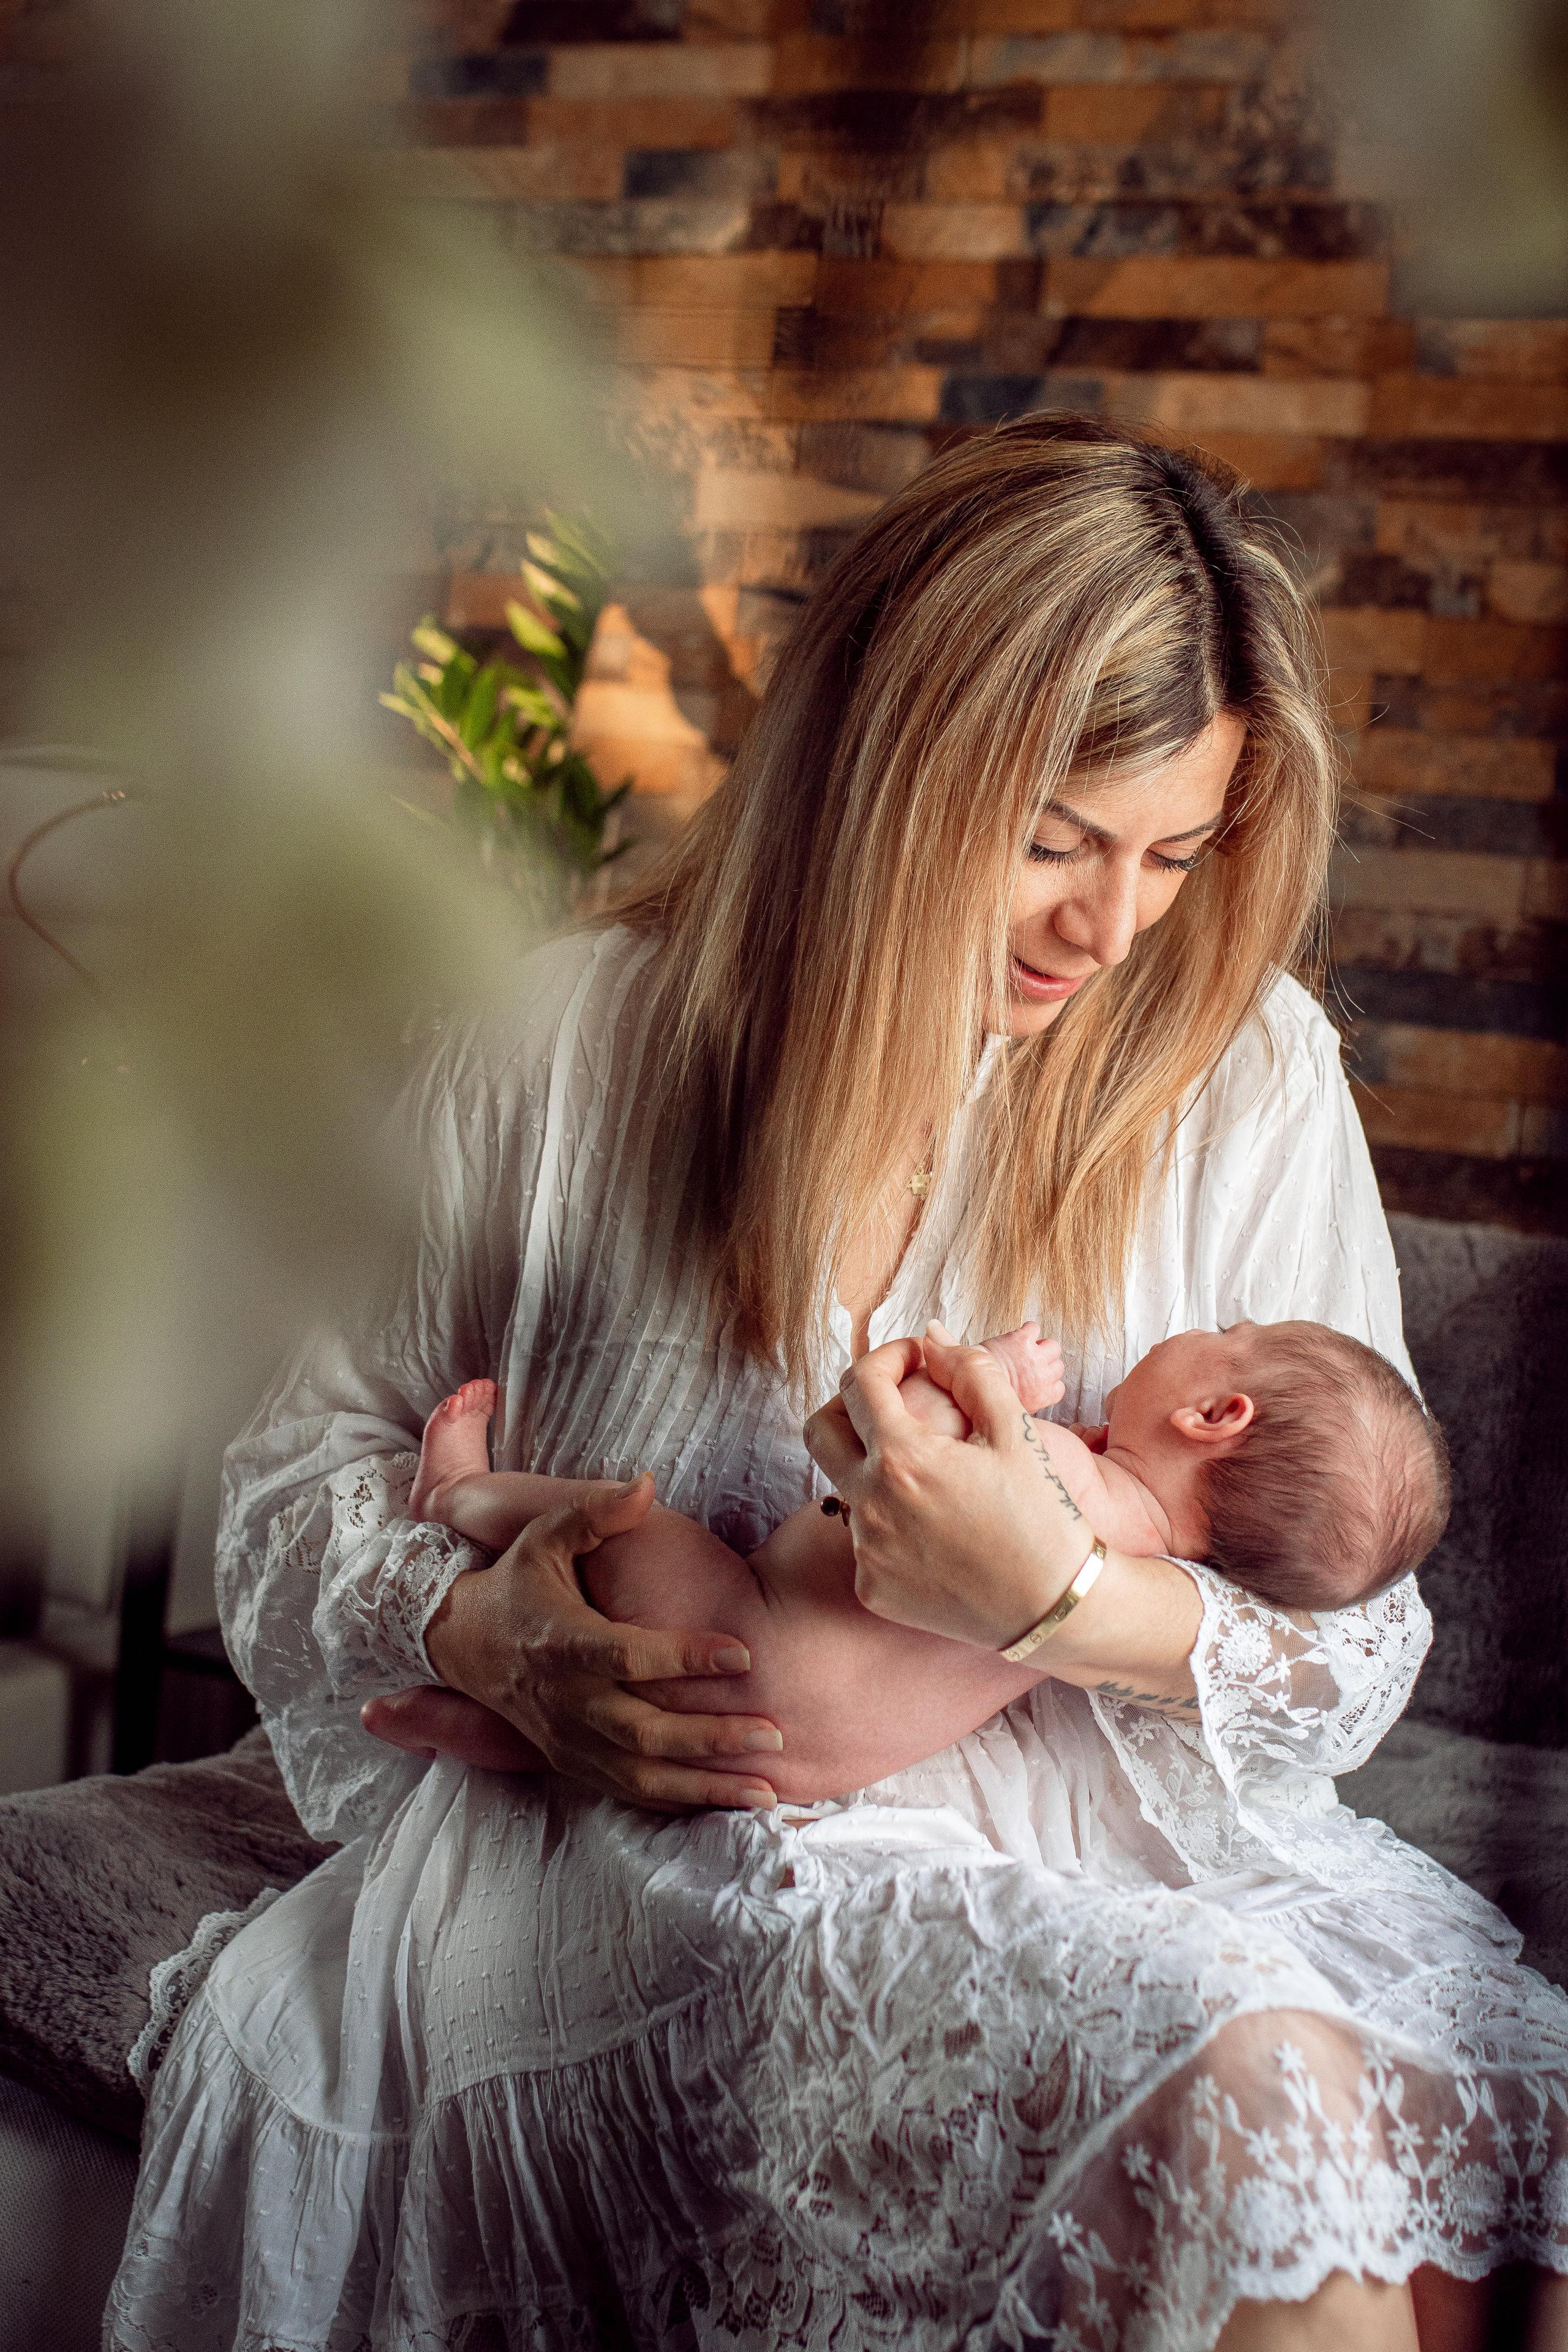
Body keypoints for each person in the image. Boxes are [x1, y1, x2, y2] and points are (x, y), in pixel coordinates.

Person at [107, 417, 1568, 2352]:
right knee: (1246, 2095)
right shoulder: (563, 1046)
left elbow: (1358, 1639)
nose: (1111, 927)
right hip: (687, 1861)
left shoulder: (1247, 1072)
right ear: (888, 778)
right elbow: (297, 1479)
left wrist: (1054, 1599)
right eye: (1054, 841)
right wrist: (481, 1637)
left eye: (1174, 855)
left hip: (1130, 1847)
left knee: (1495, 2168)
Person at [399, 1314, 1451, 1804]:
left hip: (736, 1636)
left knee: (621, 1524)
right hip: (804, 1766)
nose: (1205, 1322)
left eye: (1230, 1328)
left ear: (1215, 1411)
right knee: (620, 1751)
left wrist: (987, 1374)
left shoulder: (1057, 1474)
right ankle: (468, 1733)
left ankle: (459, 1494)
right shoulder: (1155, 1581)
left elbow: (889, 1443)